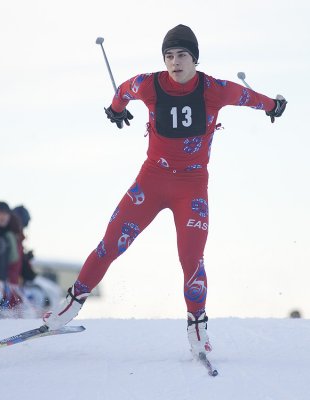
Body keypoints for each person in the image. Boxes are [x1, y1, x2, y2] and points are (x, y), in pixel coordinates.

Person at [43, 24, 287, 357]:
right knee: (111, 243)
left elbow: (251, 98)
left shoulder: (214, 89)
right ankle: (71, 303)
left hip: (192, 187)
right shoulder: (150, 84)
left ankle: (197, 326)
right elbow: (123, 91)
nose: (175, 62)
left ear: (195, 59)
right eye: (169, 56)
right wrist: (116, 111)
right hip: (152, 182)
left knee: (191, 259)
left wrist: (274, 106)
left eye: (182, 55)